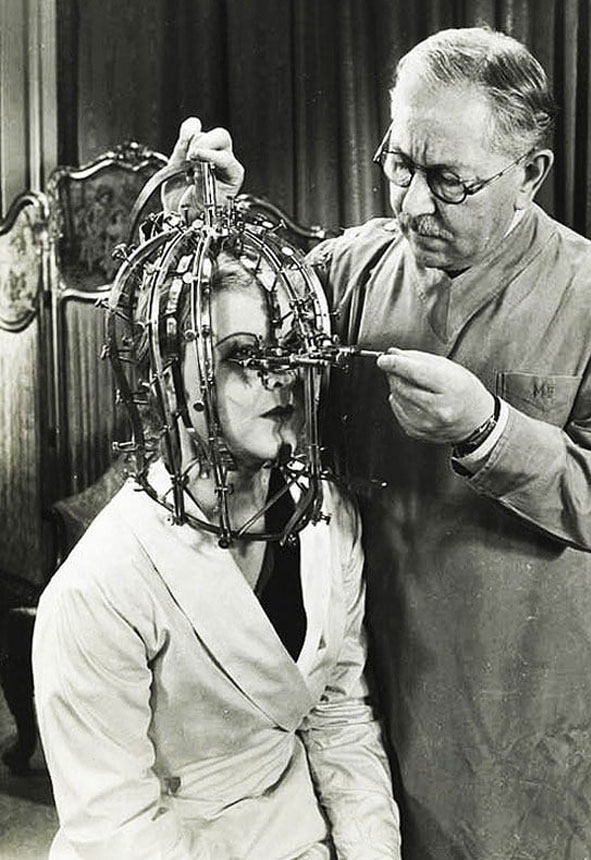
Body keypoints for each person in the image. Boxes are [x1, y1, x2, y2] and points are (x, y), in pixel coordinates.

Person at [164, 26, 591, 860]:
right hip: (360, 694)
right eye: (400, 164)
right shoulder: (350, 269)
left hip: (515, 714)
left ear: (529, 175)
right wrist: (207, 226)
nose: (413, 204)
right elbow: (235, 322)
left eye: (449, 181)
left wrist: (488, 430)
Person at [32, 216, 401, 859]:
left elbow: (341, 721)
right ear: (164, 379)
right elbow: (118, 828)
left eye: (288, 349)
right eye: (240, 356)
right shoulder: (99, 588)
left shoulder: (327, 520)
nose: (278, 377)